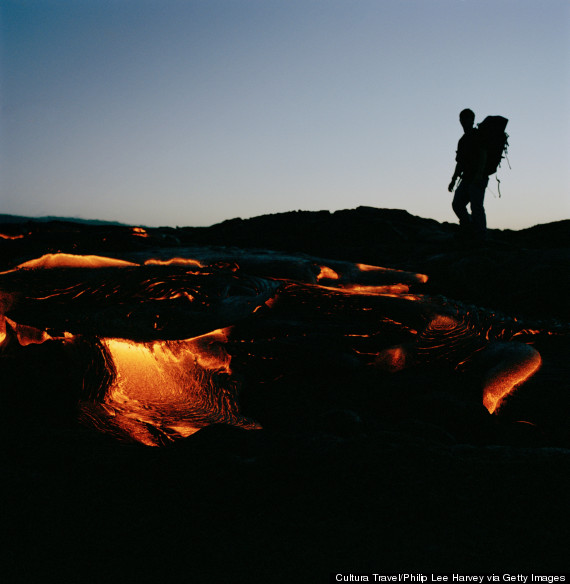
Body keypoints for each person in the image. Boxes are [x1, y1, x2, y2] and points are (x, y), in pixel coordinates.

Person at [448, 108, 488, 239]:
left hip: (478, 177)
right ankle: (468, 228)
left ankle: (481, 235)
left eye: (467, 118)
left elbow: (483, 154)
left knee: (476, 206)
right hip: (466, 178)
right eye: (462, 118)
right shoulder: (462, 140)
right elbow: (460, 163)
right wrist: (453, 180)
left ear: (472, 120)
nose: (464, 121)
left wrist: (479, 174)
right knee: (457, 204)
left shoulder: (478, 135)